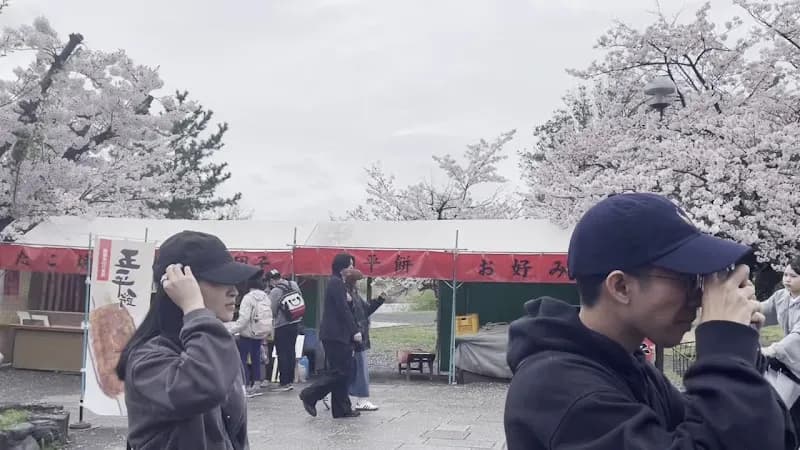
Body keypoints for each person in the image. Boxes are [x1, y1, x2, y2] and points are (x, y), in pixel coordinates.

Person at [504, 193, 797, 450]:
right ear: (620, 287)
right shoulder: (558, 389)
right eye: (686, 279)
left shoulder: (625, 364)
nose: (699, 298)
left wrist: (742, 353)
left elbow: (761, 438)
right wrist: (725, 347)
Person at [116, 230, 262, 450]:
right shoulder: (148, 359)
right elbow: (204, 386)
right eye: (218, 281)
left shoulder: (215, 345)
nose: (234, 291)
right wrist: (194, 307)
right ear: (179, 285)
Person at [299, 253, 361, 419]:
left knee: (343, 372)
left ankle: (342, 409)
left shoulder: (340, 284)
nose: (351, 269)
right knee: (340, 372)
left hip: (338, 335)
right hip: (335, 335)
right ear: (341, 267)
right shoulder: (335, 283)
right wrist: (355, 331)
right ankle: (310, 394)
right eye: (349, 265)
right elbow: (343, 310)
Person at [760, 257, 800, 415]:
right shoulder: (781, 296)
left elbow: (797, 335)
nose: (787, 279)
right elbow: (763, 309)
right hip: (791, 360)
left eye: (793, 276)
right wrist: (744, 309)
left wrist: (773, 349)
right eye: (785, 275)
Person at [343, 267, 386, 411]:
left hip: (358, 336)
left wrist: (380, 300)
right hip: (355, 338)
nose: (357, 284)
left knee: (352, 370)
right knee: (359, 370)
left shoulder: (354, 294)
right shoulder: (347, 294)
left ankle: (328, 392)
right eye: (356, 281)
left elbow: (366, 310)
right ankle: (361, 400)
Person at [226, 271, 272, 396]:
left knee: (243, 359)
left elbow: (244, 319)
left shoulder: (248, 298)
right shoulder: (265, 296)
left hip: (246, 333)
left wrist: (231, 329)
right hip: (260, 332)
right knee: (256, 357)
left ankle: (244, 385)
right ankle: (256, 383)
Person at [266, 269, 303, 392]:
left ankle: (284, 382)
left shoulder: (275, 291)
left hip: (281, 325)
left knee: (282, 352)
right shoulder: (293, 284)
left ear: (271, 280)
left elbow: (272, 310)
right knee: (291, 350)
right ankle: (290, 379)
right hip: (296, 322)